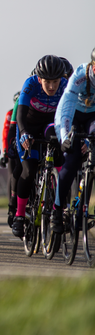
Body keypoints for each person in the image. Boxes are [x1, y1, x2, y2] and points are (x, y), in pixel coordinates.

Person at [11, 55, 67, 238]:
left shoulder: (66, 85)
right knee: (28, 169)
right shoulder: (30, 84)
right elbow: (20, 115)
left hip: (51, 125)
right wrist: (24, 132)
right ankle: (19, 216)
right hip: (30, 126)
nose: (52, 87)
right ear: (40, 78)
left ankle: (59, 204)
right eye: (48, 82)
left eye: (55, 82)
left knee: (59, 156)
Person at [52, 48, 95, 233]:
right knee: (72, 160)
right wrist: (65, 136)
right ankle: (57, 211)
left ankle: (81, 209)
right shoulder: (80, 74)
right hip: (72, 116)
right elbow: (67, 107)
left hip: (93, 117)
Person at [0, 91, 21, 227]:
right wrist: (5, 152)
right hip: (14, 145)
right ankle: (11, 201)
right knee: (12, 174)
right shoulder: (10, 113)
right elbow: (5, 133)